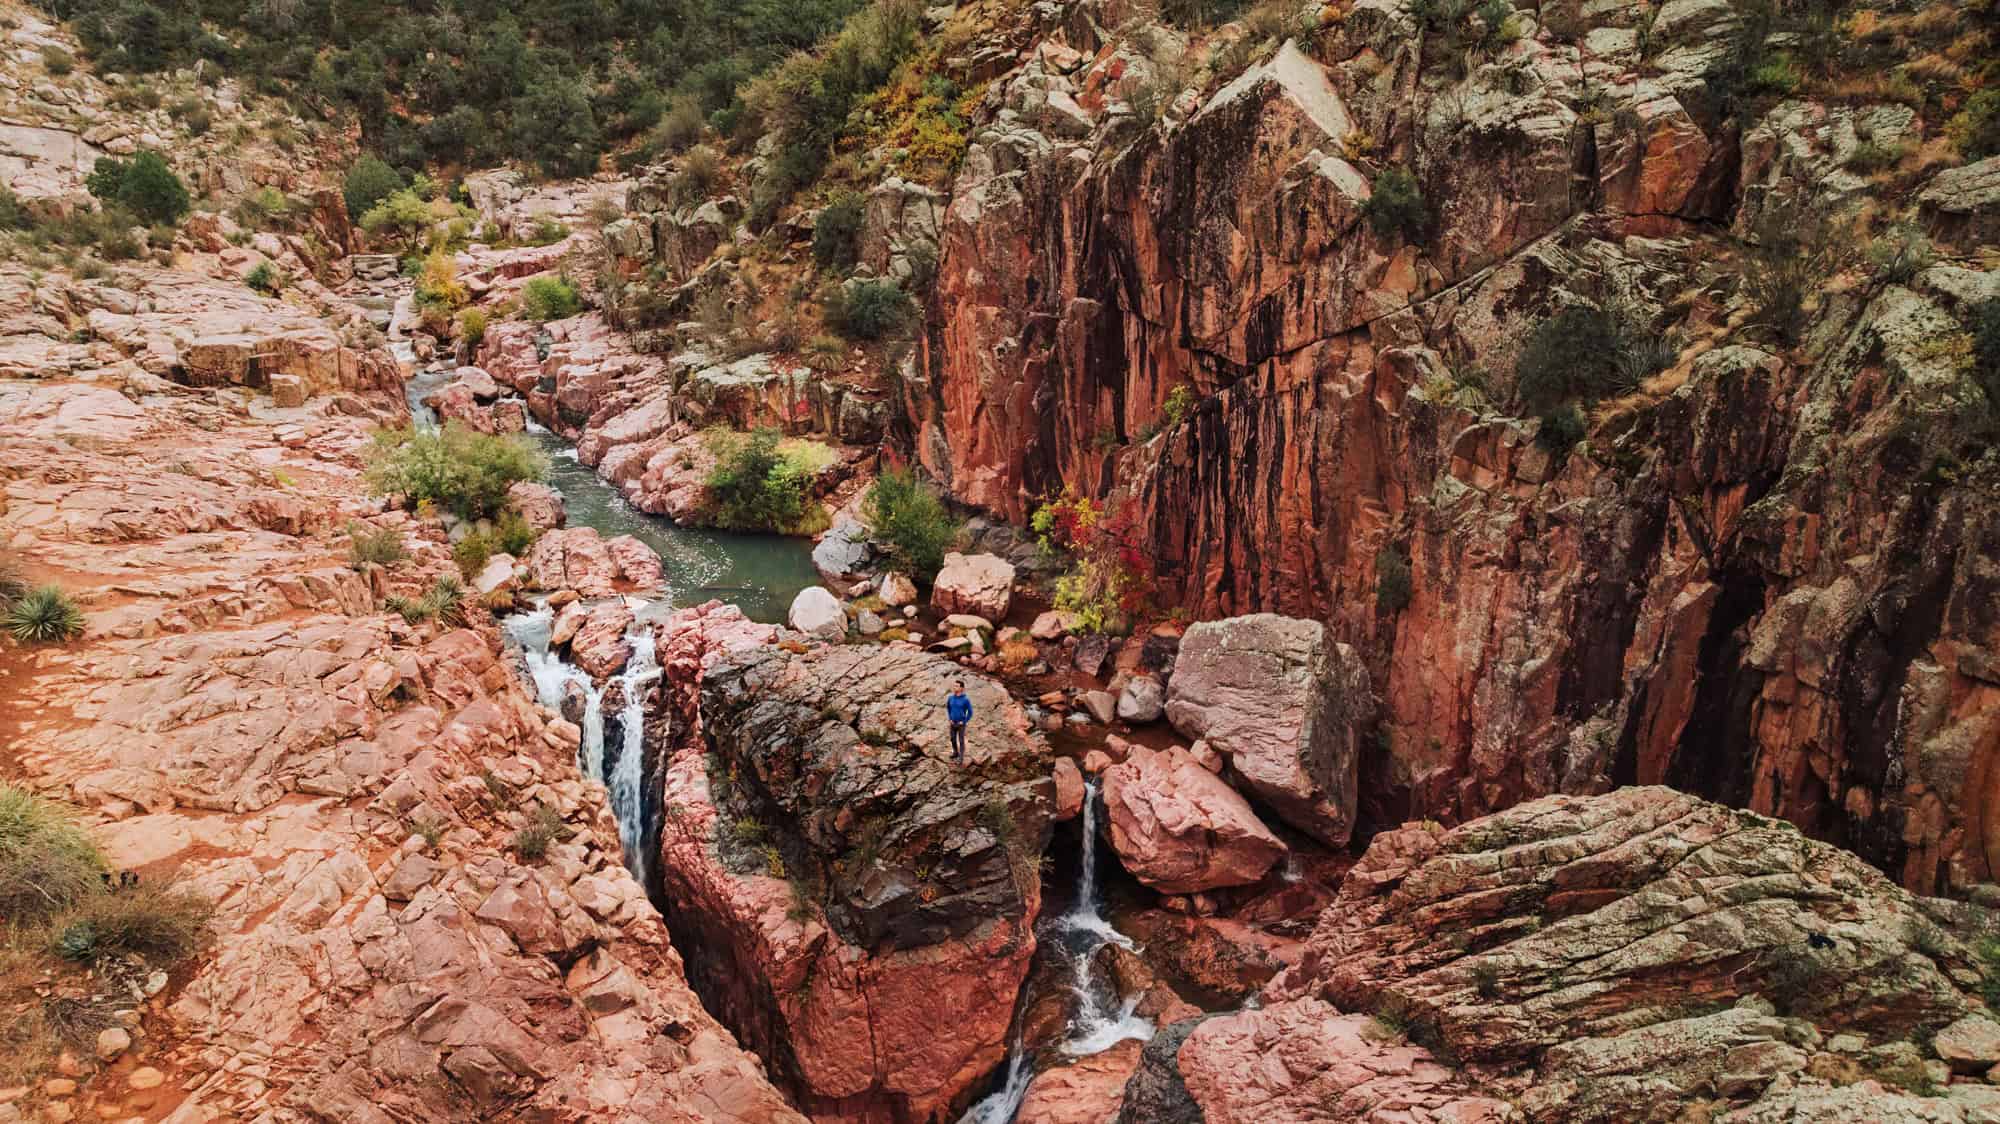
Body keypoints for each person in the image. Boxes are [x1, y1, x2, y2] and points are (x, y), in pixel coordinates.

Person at [946, 682, 972, 763]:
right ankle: (955, 752)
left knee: (961, 741)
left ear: (962, 688)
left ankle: (961, 758)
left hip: (961, 724)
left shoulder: (965, 700)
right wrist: (950, 719)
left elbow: (970, 712)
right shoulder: (950, 698)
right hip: (952, 723)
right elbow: (948, 708)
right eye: (954, 686)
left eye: (957, 686)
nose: (954, 687)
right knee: (952, 739)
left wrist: (964, 721)